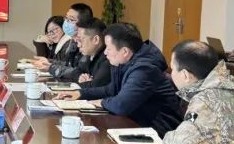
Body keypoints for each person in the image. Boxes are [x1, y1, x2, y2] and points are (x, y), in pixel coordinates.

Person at [55, 22, 185, 134]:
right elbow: (111, 90)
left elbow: (121, 105)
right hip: (138, 125)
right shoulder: (124, 61)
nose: (105, 52)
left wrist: (101, 102)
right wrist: (80, 93)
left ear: (125, 51)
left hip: (159, 132)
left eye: (108, 48)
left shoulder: (145, 69)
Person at [33, 3, 92, 71]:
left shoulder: (85, 43)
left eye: (71, 19)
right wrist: (49, 61)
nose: (66, 22)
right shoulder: (72, 40)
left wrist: (51, 67)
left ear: (84, 23)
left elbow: (76, 70)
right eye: (66, 18)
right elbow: (67, 64)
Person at [71, 18, 112, 88]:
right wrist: (81, 77)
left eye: (80, 40)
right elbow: (76, 71)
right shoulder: (90, 54)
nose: (78, 45)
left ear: (96, 40)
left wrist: (88, 83)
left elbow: (95, 86)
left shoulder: (108, 58)